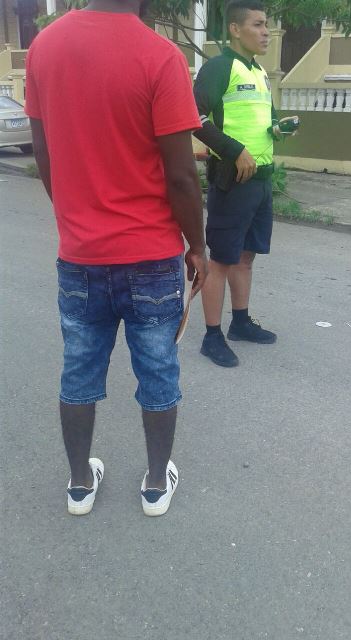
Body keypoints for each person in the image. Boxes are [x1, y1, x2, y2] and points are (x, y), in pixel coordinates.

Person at [25, 0, 208, 516]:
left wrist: (74, 216)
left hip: (81, 254)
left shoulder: (44, 47)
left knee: (79, 370)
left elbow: (44, 152)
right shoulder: (160, 56)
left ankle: (80, 484)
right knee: (158, 370)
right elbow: (181, 176)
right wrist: (197, 246)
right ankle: (155, 484)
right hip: (151, 255)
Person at [193, 0, 290, 368]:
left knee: (246, 256)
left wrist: (278, 128)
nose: (266, 32)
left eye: (266, 25)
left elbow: (265, 119)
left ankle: (241, 322)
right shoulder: (219, 67)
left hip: (261, 179)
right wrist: (235, 151)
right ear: (235, 29)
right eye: (258, 24)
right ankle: (211, 336)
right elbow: (194, 116)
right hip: (231, 180)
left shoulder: (259, 71)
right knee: (221, 260)